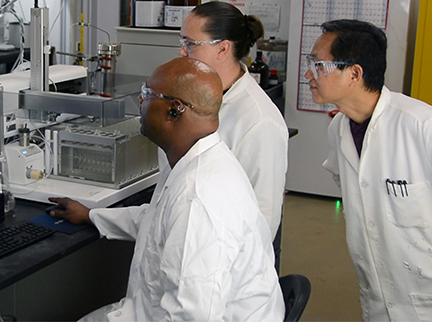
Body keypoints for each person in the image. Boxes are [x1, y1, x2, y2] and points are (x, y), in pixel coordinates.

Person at [50, 57, 284, 321]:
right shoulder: (200, 160)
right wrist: (92, 215)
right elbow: (157, 221)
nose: (140, 101)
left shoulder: (198, 198)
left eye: (147, 94)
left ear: (175, 109)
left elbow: (193, 317)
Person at [306, 19, 432, 321]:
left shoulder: (420, 125)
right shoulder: (339, 128)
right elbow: (344, 178)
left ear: (355, 74)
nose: (309, 74)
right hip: (380, 294)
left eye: (319, 65)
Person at [178, 1, 288, 269]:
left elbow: (262, 224)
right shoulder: (192, 96)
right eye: (181, 41)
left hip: (224, 275)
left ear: (223, 48)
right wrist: (98, 217)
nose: (182, 52)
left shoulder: (259, 121)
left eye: (191, 43)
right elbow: (171, 199)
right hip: (185, 252)